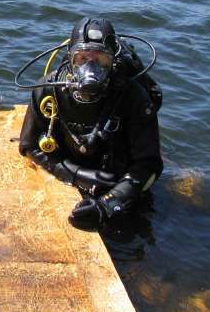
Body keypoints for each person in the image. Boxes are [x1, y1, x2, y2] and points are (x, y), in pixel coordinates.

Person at [17, 17, 163, 231]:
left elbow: (149, 165)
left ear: (112, 61)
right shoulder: (49, 89)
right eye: (82, 58)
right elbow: (28, 146)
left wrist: (109, 204)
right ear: (70, 59)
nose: (90, 69)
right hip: (71, 167)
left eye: (100, 60)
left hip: (119, 181)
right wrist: (75, 174)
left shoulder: (133, 97)